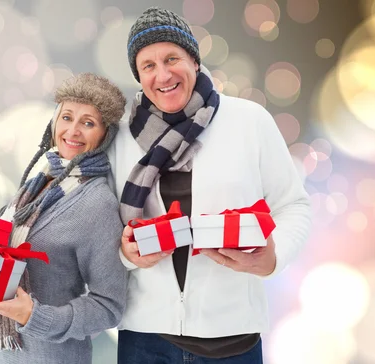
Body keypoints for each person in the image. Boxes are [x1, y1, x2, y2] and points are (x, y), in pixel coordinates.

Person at [107, 7, 312, 363]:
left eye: (172, 58)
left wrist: (272, 259)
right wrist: (126, 255)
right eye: (148, 66)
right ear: (138, 77)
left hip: (233, 338)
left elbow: (293, 204)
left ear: (195, 62)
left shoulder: (249, 121)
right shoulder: (121, 138)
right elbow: (101, 229)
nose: (163, 74)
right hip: (145, 339)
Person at [0, 73, 129, 364]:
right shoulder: (38, 184)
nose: (73, 130)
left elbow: (108, 307)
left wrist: (33, 315)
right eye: (67, 117)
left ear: (104, 135)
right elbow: (4, 256)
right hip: (9, 355)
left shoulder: (97, 203)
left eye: (88, 122)